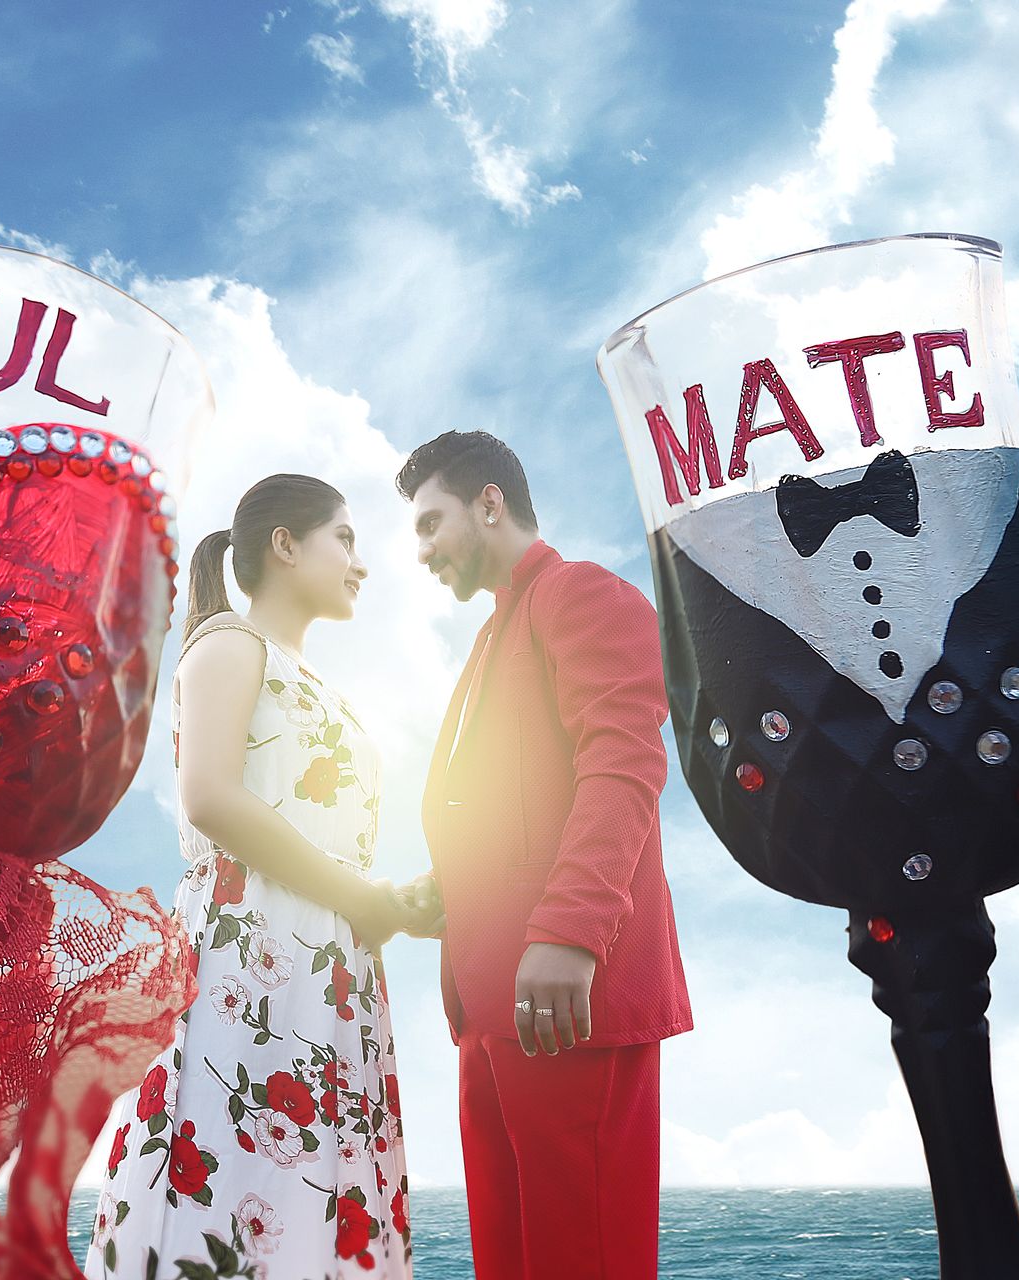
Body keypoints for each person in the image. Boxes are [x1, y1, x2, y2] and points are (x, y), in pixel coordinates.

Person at [86, 473, 417, 1279]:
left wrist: (392, 902)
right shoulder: (232, 645)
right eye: (344, 538)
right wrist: (358, 898)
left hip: (327, 960)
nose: (358, 563)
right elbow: (210, 798)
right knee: (239, 1184)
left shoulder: (312, 678)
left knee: (308, 1189)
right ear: (284, 544)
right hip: (252, 952)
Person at [394, 431, 693, 1279]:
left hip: (571, 1001)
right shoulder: (493, 635)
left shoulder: (580, 595)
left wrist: (569, 930)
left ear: (490, 502)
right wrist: (444, 889)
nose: (420, 553)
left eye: (428, 524)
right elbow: (514, 809)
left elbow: (625, 762)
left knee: (581, 1258)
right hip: (493, 1011)